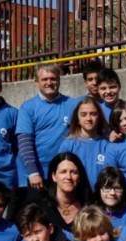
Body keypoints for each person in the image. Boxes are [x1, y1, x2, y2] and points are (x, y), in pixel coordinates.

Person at [16, 63, 78, 193]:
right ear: (37, 82)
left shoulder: (72, 105)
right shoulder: (28, 108)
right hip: (37, 176)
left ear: (59, 80)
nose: (49, 83)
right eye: (44, 79)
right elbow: (25, 142)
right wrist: (33, 172)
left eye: (53, 79)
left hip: (63, 174)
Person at [58, 96, 109, 189]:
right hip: (76, 195)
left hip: (100, 195)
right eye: (83, 114)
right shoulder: (68, 144)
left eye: (93, 114)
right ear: (77, 119)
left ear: (99, 117)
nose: (88, 118)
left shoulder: (107, 144)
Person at [91, 166, 126, 230]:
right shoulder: (91, 215)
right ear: (99, 189)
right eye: (107, 188)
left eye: (117, 188)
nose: (112, 193)